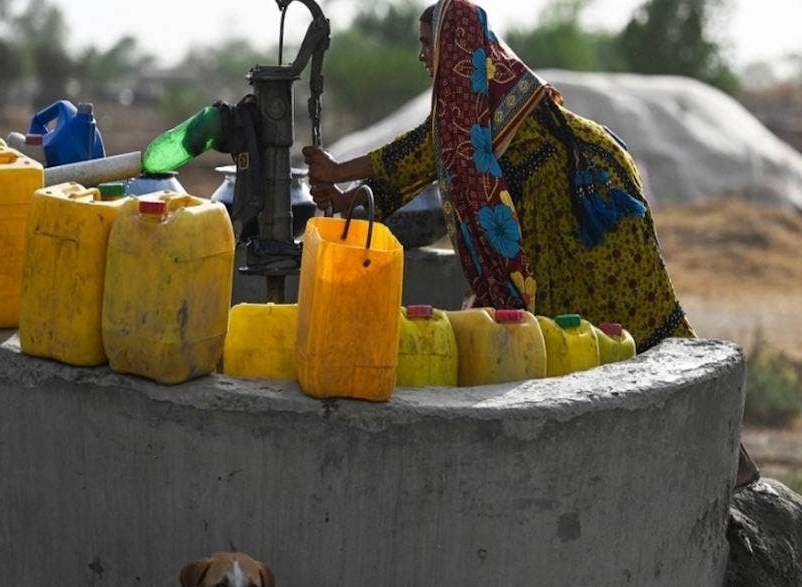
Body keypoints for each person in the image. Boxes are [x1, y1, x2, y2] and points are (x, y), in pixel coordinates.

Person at [302, 0, 759, 488]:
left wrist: (338, 170)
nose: (421, 56)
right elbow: (432, 151)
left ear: (451, 42)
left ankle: (731, 459)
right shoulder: (472, 91)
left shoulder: (485, 86)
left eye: (425, 44)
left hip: (588, 200)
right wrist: (348, 193)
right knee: (581, 331)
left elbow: (426, 148)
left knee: (640, 321)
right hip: (561, 205)